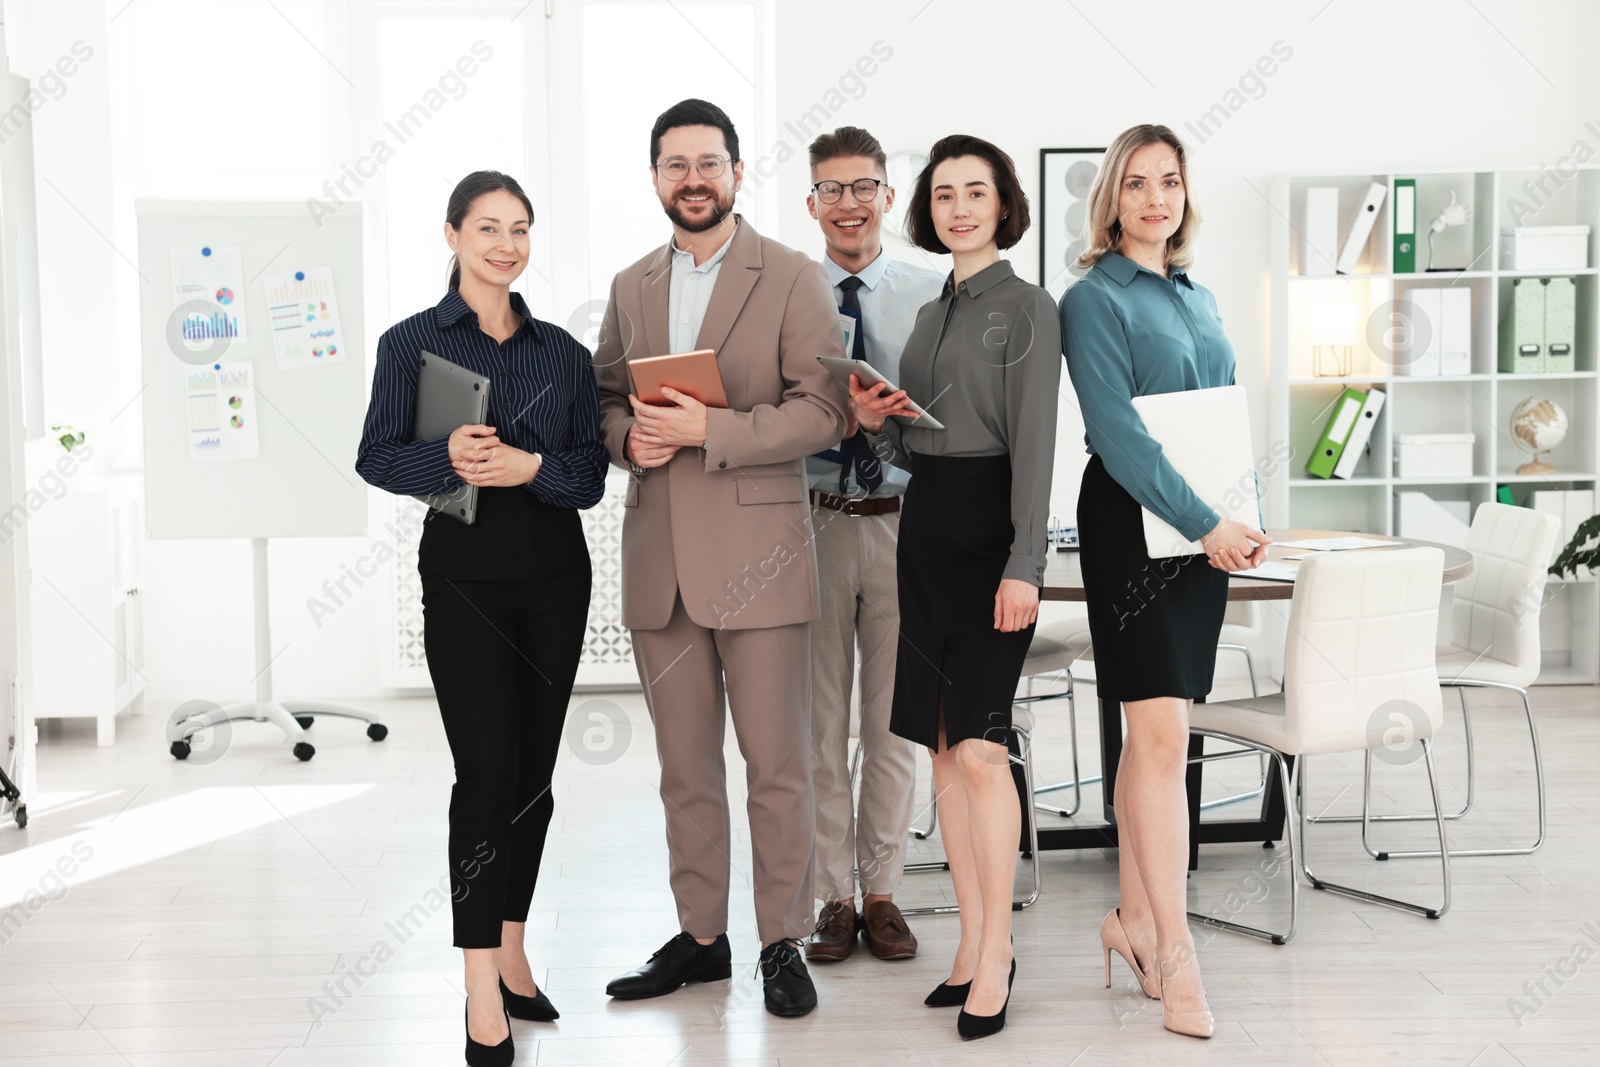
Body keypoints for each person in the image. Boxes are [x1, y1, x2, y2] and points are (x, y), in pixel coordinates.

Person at [592, 98, 849, 1018]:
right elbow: (604, 400)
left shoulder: (789, 276)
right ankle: (703, 938)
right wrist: (629, 441)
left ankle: (782, 938)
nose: (692, 180)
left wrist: (716, 429)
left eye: (708, 163)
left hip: (761, 562)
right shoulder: (629, 287)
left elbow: (826, 412)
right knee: (685, 768)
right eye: (675, 165)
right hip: (661, 564)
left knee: (777, 765)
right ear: (656, 177)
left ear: (738, 172)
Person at [355, 171, 607, 1066]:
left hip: (553, 576)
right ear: (453, 234)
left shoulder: (565, 354)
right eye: (488, 227)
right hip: (463, 576)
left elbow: (589, 474)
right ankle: (476, 986)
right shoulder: (411, 343)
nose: (506, 244)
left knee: (534, 777)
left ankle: (511, 945)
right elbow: (375, 456)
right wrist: (446, 457)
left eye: (521, 228)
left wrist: (531, 467)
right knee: (485, 776)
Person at [1060, 124, 1270, 1041]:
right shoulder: (1090, 298)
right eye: (1136, 182)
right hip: (1133, 528)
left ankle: (1135, 920)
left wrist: (1240, 513)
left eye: (1170, 181)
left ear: (1186, 194)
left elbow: (1219, 413)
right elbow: (1119, 434)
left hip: (1201, 531)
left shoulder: (1201, 292)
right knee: (1160, 734)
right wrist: (1207, 520)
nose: (1155, 198)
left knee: (1152, 739)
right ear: (1110, 198)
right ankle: (1178, 955)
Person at [854, 134, 1060, 1041]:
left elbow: (1036, 445)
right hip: (925, 533)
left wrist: (1027, 563)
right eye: (944, 195)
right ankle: (972, 944)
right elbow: (913, 448)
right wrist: (875, 423)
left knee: (981, 749)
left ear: (1003, 203)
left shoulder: (1028, 307)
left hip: (989, 539)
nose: (960, 208)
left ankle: (1002, 950)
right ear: (928, 210)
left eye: (976, 192)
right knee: (939, 750)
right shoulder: (928, 315)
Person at [800, 126, 942, 966]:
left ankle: (884, 890)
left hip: (903, 527)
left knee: (893, 724)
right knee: (818, 725)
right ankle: (834, 899)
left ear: (890, 197)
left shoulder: (932, 295)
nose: (849, 203)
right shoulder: (785, 292)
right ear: (811, 203)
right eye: (832, 189)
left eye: (864, 187)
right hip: (810, 523)